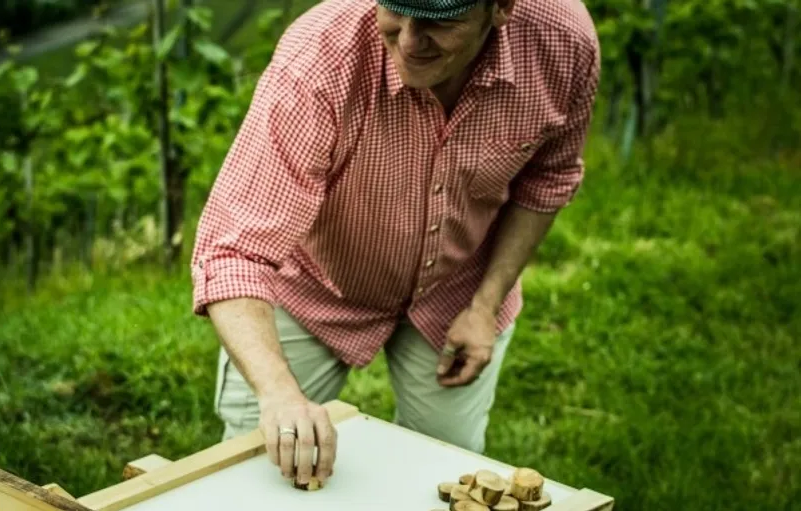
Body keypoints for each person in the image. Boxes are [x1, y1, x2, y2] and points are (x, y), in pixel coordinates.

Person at [190, 0, 600, 489]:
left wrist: (486, 305)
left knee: (445, 475)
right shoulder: (320, 56)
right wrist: (279, 391)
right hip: (311, 286)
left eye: (439, 23)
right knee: (257, 475)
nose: (407, 41)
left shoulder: (562, 42)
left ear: (501, 8)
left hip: (459, 290)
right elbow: (235, 251)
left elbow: (548, 178)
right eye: (396, 12)